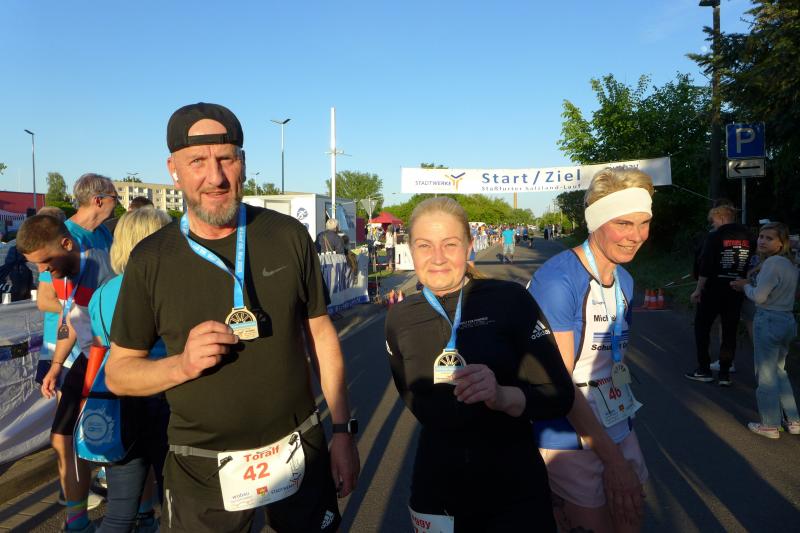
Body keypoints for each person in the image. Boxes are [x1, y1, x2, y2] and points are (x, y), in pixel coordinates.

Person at [105, 102, 359, 533]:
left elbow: (320, 335)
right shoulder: (151, 260)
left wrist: (342, 431)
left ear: (243, 162)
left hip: (298, 448)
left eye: (226, 159)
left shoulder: (287, 236)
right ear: (173, 170)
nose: (215, 177)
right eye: (197, 162)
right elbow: (119, 373)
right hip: (201, 466)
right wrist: (181, 365)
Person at [385, 197, 574, 532]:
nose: (438, 257)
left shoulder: (510, 299)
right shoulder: (399, 317)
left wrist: (502, 396)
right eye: (425, 245)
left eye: (450, 244)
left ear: (470, 246)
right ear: (410, 249)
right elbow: (415, 401)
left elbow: (559, 395)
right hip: (436, 491)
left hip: (513, 490)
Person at [529, 168, 653, 533]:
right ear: (596, 221)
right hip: (567, 433)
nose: (636, 236)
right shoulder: (558, 281)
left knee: (629, 520)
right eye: (623, 223)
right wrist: (613, 462)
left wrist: (618, 449)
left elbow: (611, 361)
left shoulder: (624, 279)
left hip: (616, 422)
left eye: (644, 223)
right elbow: (558, 387)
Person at [17, 215, 115, 533]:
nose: (43, 271)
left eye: (46, 261)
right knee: (62, 437)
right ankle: (77, 520)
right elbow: (72, 321)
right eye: (36, 265)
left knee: (118, 440)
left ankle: (140, 513)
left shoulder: (105, 267)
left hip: (116, 359)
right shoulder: (59, 274)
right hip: (86, 360)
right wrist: (57, 365)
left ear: (66, 243)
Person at [90, 207, 172, 532]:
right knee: (178, 503)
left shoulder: (101, 294)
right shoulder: (171, 288)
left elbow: (100, 345)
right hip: (169, 398)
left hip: (119, 402)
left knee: (120, 512)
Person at [730, 222, 800, 438]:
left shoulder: (772, 263)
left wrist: (744, 286)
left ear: (781, 243)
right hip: (787, 319)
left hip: (768, 319)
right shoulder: (791, 264)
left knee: (766, 374)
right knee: (779, 371)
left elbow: (759, 297)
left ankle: (769, 425)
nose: (762, 241)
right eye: (761, 236)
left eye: (769, 238)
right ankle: (794, 420)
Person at [685, 203, 754, 386]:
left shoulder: (715, 236)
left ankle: (704, 369)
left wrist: (698, 289)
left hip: (713, 289)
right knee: (730, 331)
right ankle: (724, 373)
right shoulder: (748, 236)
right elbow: (753, 261)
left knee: (702, 328)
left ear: (722, 218)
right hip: (736, 289)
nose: (712, 224)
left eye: (713, 220)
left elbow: (705, 265)